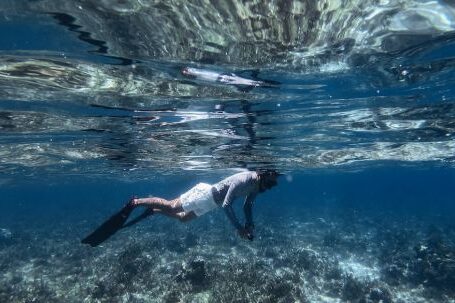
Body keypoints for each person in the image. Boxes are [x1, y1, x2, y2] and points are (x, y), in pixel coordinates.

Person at [81, 170, 279, 247]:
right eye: (265, 186)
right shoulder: (244, 179)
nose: (263, 190)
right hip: (205, 195)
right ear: (261, 176)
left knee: (183, 219)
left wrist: (250, 224)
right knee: (171, 206)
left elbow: (247, 205)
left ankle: (154, 211)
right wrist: (239, 228)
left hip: (210, 204)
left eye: (266, 189)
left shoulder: (257, 186)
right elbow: (227, 204)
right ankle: (136, 202)